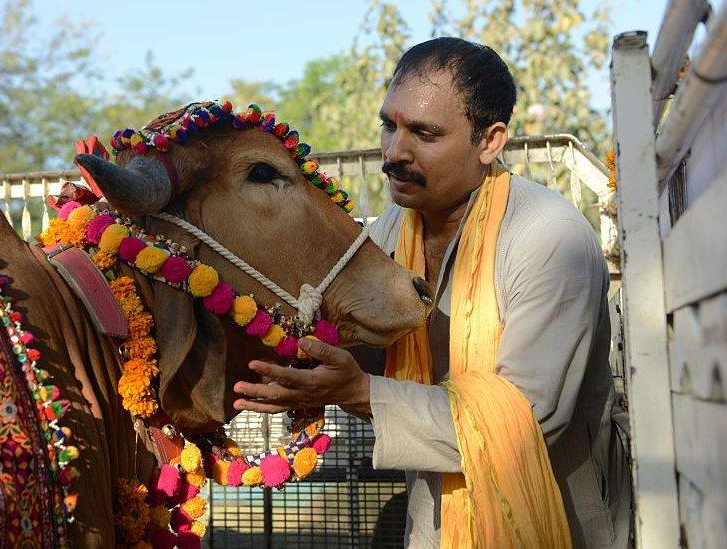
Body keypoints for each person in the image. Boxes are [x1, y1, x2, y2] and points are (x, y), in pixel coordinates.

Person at [233, 37, 631, 548]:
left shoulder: (548, 235)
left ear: (489, 142)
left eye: (424, 133)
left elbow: (529, 419)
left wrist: (359, 392)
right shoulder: (387, 236)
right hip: (435, 522)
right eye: (389, 126)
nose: (395, 153)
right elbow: (353, 341)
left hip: (557, 518)